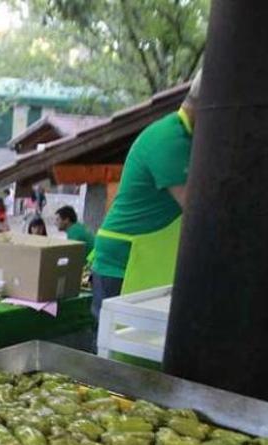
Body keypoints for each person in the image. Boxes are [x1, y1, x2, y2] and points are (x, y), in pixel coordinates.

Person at [91, 69, 202, 338]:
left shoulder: (191, 141)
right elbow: (200, 211)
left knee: (142, 344)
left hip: (148, 260)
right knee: (118, 349)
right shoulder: (170, 139)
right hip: (124, 261)